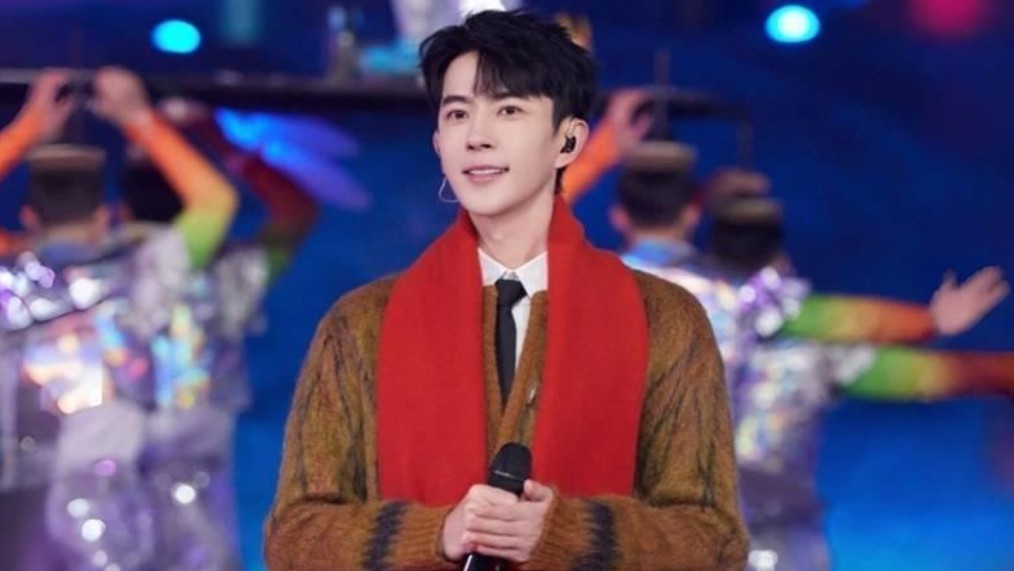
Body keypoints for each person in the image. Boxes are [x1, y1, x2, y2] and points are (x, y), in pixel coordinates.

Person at [265, 9, 748, 571]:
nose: (477, 136)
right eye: (458, 113)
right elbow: (294, 537)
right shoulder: (360, 323)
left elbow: (714, 540)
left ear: (568, 140)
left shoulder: (663, 319)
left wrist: (564, 533)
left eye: (509, 110)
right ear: (438, 142)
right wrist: (436, 534)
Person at [0, 67, 240, 571]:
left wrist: (27, 129)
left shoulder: (10, 279)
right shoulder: (141, 270)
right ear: (106, 216)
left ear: (27, 220)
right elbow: (216, 203)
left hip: (19, 517)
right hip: (117, 502)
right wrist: (137, 118)